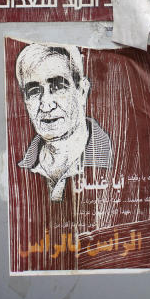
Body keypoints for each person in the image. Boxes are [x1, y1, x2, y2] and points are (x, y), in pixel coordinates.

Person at [15, 43, 112, 202]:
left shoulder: (117, 159)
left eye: (58, 86)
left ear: (81, 91)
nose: (46, 104)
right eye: (34, 91)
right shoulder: (18, 170)